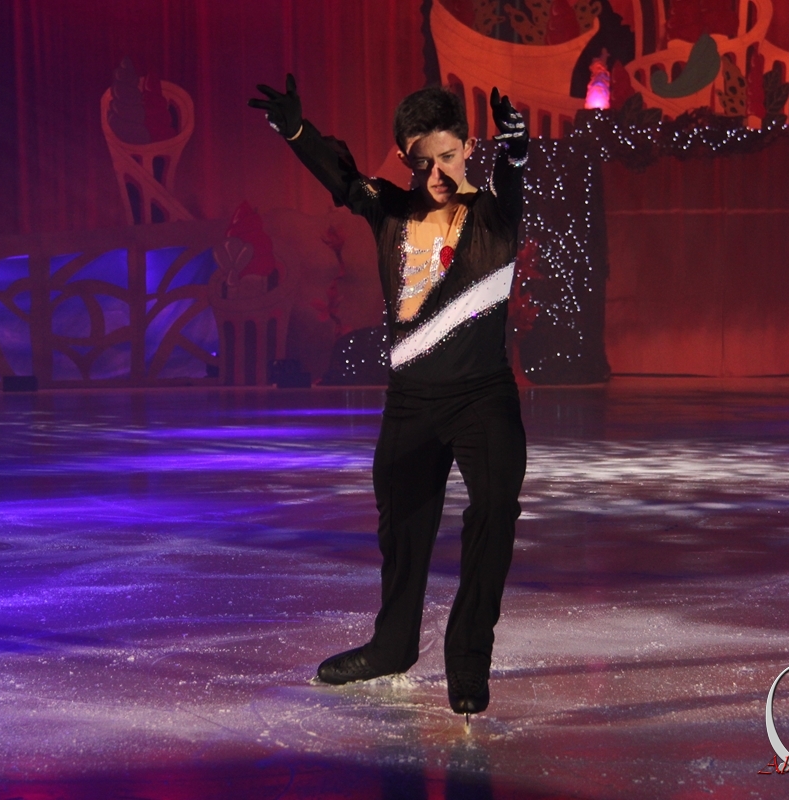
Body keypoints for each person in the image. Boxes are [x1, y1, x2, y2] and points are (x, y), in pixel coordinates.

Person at [249, 76, 528, 716]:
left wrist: (516, 149)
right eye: (424, 162)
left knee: (494, 514)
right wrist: (297, 132)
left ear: (469, 148)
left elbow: (512, 178)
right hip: (411, 403)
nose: (439, 173)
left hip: (483, 398)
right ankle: (393, 644)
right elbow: (344, 179)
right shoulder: (391, 210)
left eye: (449, 156)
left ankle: (468, 659)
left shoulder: (494, 212)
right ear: (406, 158)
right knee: (403, 529)